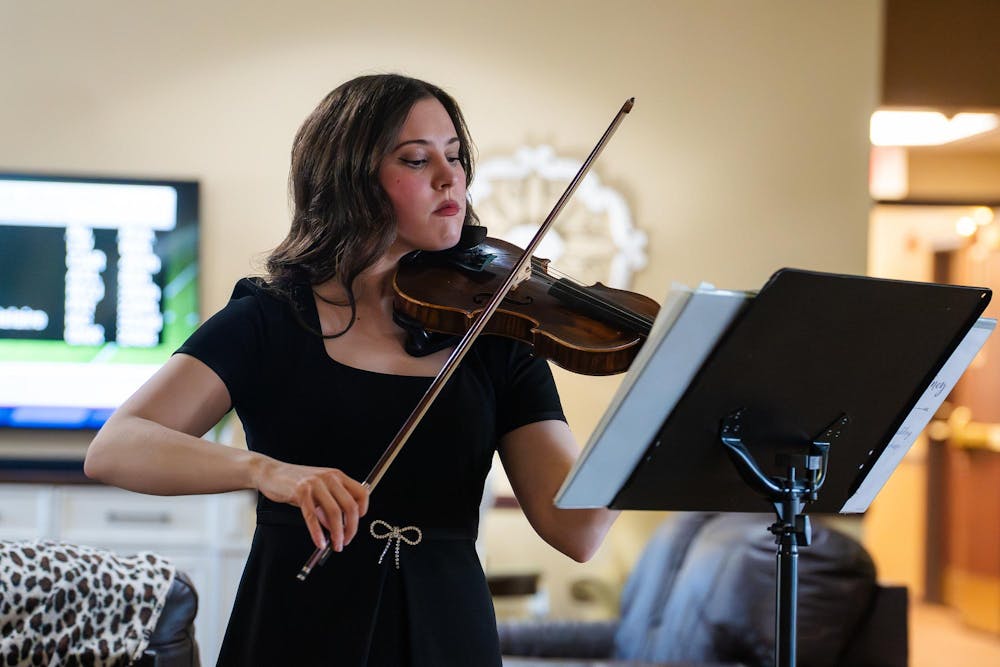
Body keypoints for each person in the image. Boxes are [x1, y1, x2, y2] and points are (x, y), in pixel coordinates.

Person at [84, 73, 618, 666]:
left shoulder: (496, 333)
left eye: (455, 156)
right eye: (416, 159)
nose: (449, 178)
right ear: (350, 180)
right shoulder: (272, 319)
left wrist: (658, 404)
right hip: (296, 632)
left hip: (448, 635)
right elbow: (116, 447)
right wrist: (266, 471)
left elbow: (578, 531)